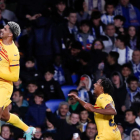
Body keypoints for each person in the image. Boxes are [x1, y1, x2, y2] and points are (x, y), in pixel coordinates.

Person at [0, 22, 35, 140]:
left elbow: (15, 77)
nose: (2, 30)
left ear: (10, 34)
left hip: (3, 86)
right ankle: (28, 129)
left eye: (5, 29)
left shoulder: (14, 52)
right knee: (4, 116)